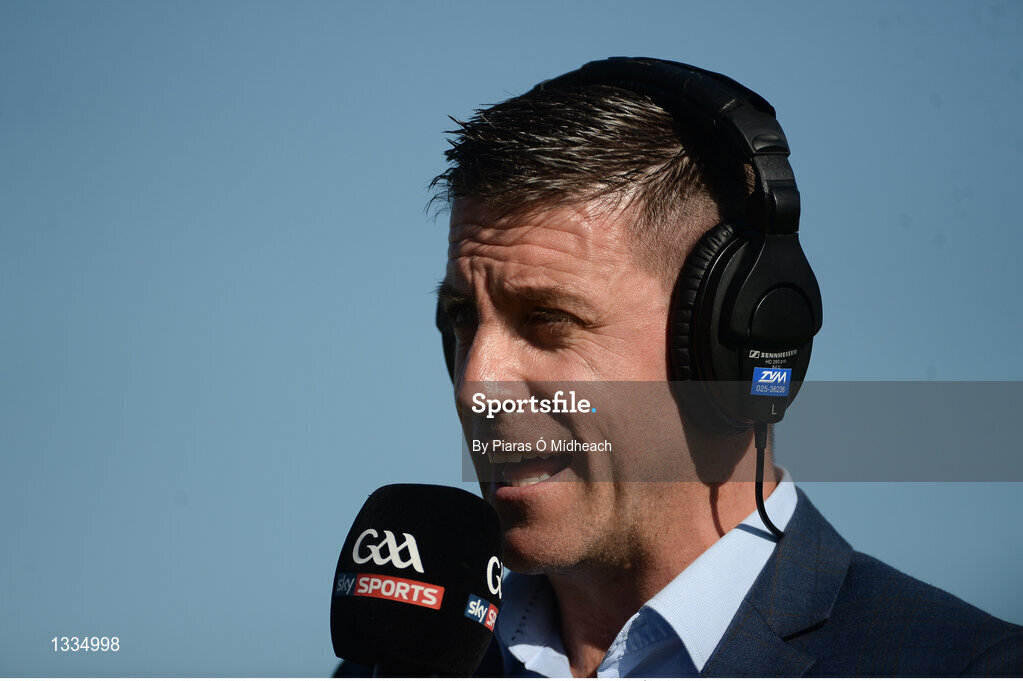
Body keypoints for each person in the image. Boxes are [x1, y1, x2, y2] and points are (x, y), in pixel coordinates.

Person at [428, 58, 1023, 677]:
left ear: (731, 341)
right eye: (465, 319)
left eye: (549, 319)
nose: (476, 382)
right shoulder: (414, 661)